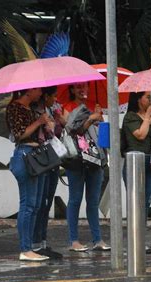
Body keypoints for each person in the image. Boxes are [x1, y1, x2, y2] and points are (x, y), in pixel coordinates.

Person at [6, 88, 54, 261]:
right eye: (38, 89)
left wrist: (47, 123)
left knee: (36, 204)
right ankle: (25, 248)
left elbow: (45, 133)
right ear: (28, 90)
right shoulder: (14, 108)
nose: (41, 92)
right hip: (25, 155)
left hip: (38, 154)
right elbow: (19, 134)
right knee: (27, 204)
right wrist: (38, 122)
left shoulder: (34, 109)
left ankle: (31, 246)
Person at [62, 83, 111, 252]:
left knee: (93, 201)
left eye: (85, 87)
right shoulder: (67, 108)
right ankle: (73, 240)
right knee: (75, 199)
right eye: (78, 87)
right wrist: (90, 119)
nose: (82, 90)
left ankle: (97, 239)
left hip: (95, 159)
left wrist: (100, 118)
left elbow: (103, 134)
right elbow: (71, 132)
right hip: (76, 159)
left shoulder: (94, 106)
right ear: (72, 89)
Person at [121, 91, 151, 254]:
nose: (150, 100)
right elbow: (140, 135)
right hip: (135, 163)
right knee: (136, 204)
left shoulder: (150, 118)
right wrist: (147, 117)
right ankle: (132, 242)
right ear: (139, 99)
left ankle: (141, 240)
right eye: (147, 97)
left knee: (146, 202)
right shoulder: (130, 117)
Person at [31, 86, 64, 259]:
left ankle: (43, 240)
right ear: (46, 96)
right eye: (53, 96)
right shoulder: (35, 111)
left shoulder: (51, 110)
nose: (55, 99)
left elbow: (58, 132)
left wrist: (57, 121)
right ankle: (35, 242)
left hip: (52, 159)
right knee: (39, 201)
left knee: (48, 200)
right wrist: (46, 125)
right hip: (41, 159)